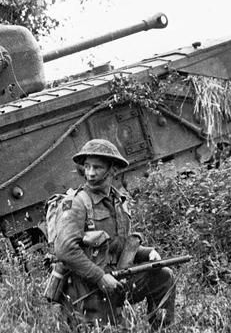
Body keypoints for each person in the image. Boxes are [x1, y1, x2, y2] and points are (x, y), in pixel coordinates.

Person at [54, 139, 177, 329]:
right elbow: (65, 250)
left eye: (97, 167)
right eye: (87, 167)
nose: (90, 173)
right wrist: (100, 277)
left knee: (163, 277)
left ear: (112, 169)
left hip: (118, 278)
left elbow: (118, 244)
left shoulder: (118, 201)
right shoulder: (76, 203)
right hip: (87, 288)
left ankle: (160, 329)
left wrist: (146, 253)